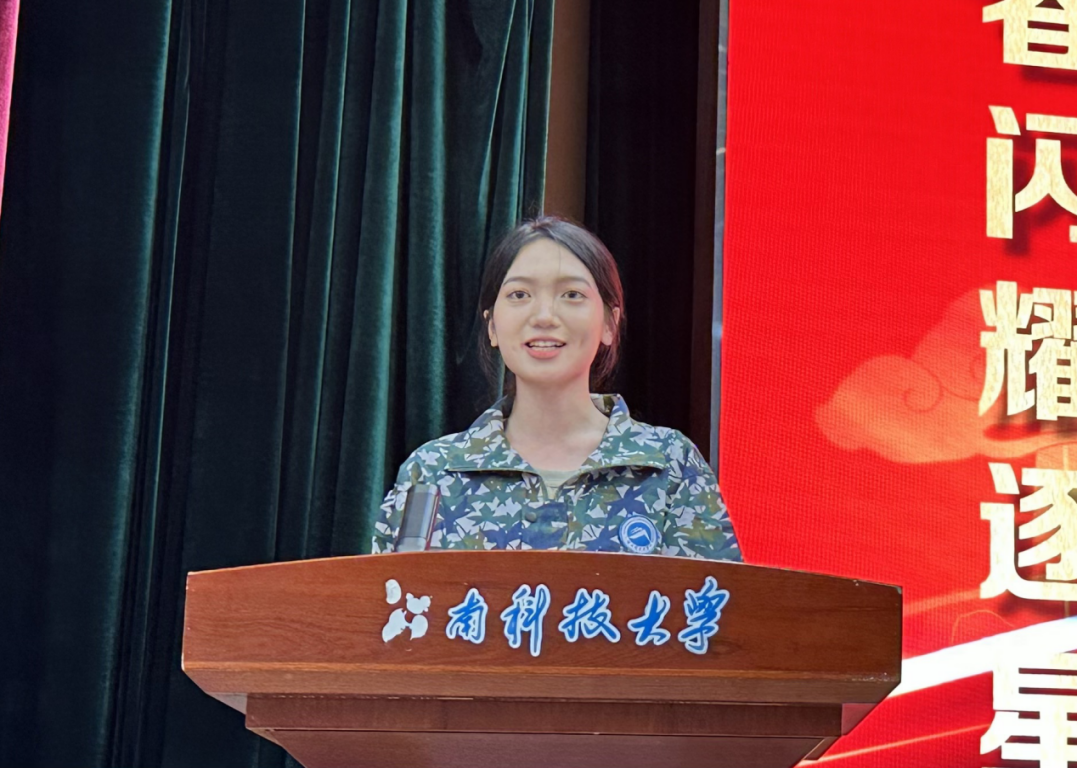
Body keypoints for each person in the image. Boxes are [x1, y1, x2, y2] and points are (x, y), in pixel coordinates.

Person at [371, 216, 741, 561]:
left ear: (609, 324)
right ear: (492, 326)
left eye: (571, 295)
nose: (544, 316)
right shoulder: (433, 472)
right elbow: (385, 602)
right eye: (520, 295)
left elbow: (715, 605)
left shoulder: (669, 465)